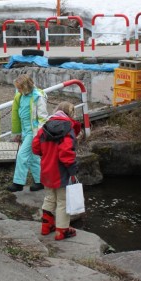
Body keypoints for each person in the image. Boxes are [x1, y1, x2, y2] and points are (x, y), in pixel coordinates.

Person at [32, 102, 81, 241]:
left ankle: (46, 226)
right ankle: (62, 230)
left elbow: (35, 147)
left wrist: (46, 154)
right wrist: (72, 169)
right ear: (70, 114)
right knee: (63, 201)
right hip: (61, 172)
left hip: (46, 169)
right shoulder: (68, 128)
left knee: (49, 197)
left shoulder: (45, 127)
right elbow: (66, 152)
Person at [7, 74, 48, 192]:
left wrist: (39, 135)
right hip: (26, 131)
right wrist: (19, 132)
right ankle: (40, 181)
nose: (18, 90)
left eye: (19, 88)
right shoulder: (21, 95)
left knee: (22, 155)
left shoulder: (38, 97)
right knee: (34, 158)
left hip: (33, 132)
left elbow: (43, 117)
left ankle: (18, 183)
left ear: (25, 86)